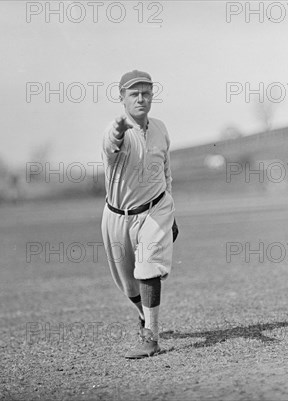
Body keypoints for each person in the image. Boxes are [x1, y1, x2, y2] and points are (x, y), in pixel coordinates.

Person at [101, 70, 178, 359]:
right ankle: (143, 314)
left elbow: (166, 172)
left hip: (156, 208)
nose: (141, 98)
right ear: (122, 98)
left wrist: (172, 214)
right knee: (128, 284)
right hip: (117, 216)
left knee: (148, 268)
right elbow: (111, 146)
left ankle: (151, 337)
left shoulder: (160, 128)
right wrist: (119, 132)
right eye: (134, 93)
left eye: (146, 92)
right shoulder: (114, 131)